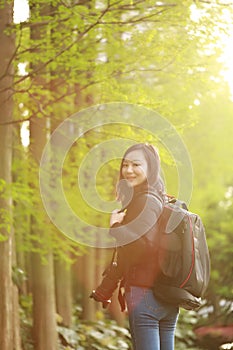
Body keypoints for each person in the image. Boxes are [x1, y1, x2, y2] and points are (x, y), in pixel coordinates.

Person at [91, 143, 179, 350]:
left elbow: (139, 247)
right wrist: (107, 288)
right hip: (166, 295)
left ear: (151, 168)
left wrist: (115, 226)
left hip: (145, 295)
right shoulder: (160, 199)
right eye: (125, 165)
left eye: (136, 165)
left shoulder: (144, 201)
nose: (128, 170)